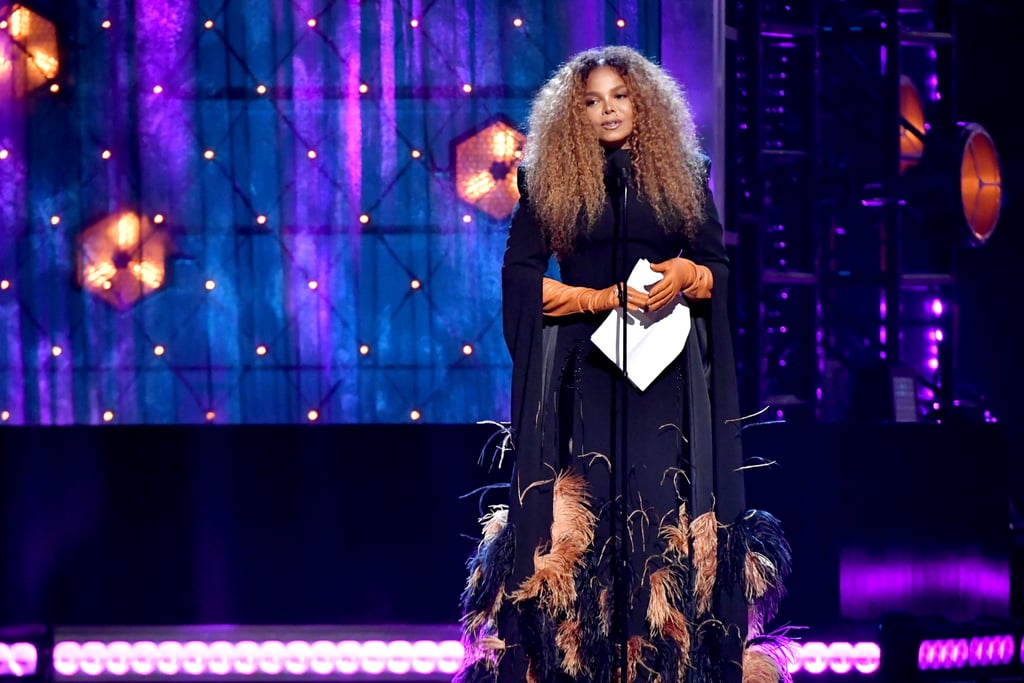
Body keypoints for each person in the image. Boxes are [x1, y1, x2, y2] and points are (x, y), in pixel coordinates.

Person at [456, 46, 793, 683]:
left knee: (658, 506)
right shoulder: (547, 180)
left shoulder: (685, 174)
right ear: (573, 113)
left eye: (619, 96)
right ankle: (575, 660)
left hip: (661, 371)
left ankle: (665, 657)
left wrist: (687, 274)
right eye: (591, 101)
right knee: (587, 513)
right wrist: (595, 299)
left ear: (643, 102)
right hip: (584, 373)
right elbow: (521, 279)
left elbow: (718, 268)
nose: (607, 109)